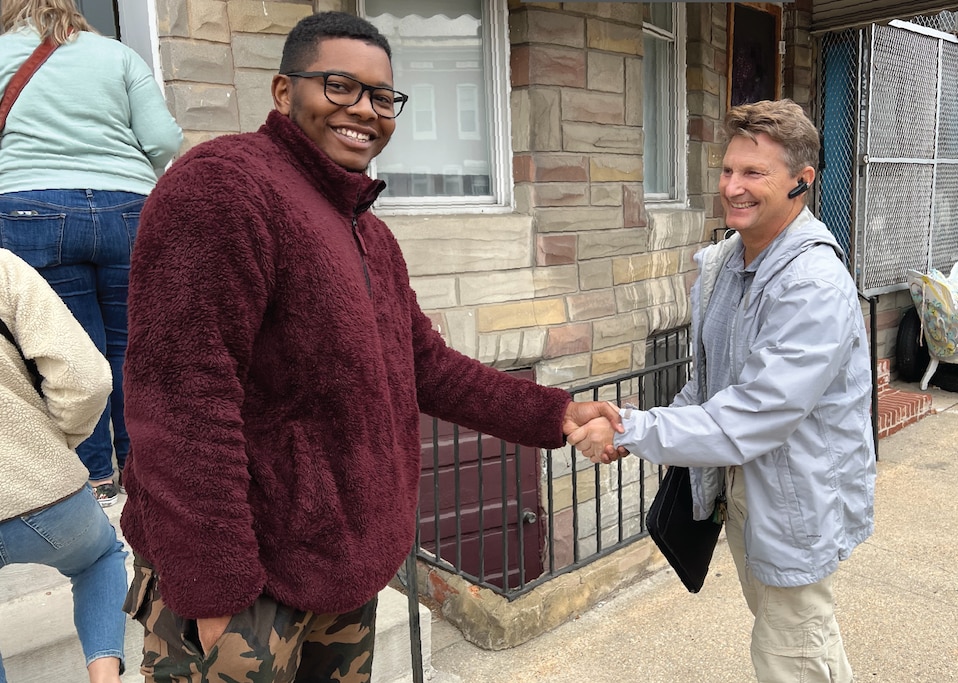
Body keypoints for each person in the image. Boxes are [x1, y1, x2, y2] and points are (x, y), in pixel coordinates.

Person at [119, 11, 621, 683]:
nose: (366, 110)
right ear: (281, 91)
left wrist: (554, 414)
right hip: (247, 582)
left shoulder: (367, 232)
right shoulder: (223, 187)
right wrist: (214, 589)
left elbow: (428, 366)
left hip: (341, 571)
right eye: (339, 86)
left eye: (383, 97)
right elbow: (182, 403)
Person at [569, 99, 876, 683]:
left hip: (794, 501)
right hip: (742, 493)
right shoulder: (723, 265)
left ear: (801, 182)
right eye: (728, 170)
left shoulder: (813, 284)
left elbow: (750, 416)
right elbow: (708, 389)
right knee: (799, 633)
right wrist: (634, 428)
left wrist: (632, 429)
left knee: (789, 656)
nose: (733, 186)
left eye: (754, 173)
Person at [0, 0, 182, 507]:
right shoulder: (118, 56)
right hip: (128, 209)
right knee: (134, 349)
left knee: (67, 352)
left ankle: (96, 478)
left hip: (30, 210)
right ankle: (142, 472)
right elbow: (165, 139)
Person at [0, 247, 127, 683]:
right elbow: (87, 379)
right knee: (100, 558)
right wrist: (56, 442)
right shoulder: (2, 267)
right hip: (41, 490)